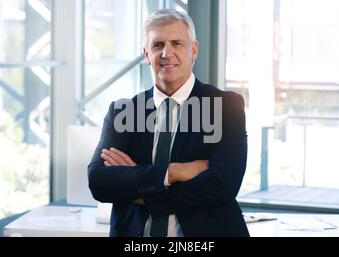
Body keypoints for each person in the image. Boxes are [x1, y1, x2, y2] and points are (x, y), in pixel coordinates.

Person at [88, 9, 249, 237]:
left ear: (194, 49)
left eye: (177, 43)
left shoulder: (225, 107)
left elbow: (223, 185)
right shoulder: (123, 112)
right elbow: (99, 182)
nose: (167, 53)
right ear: (146, 54)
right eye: (157, 45)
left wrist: (137, 186)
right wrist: (174, 172)